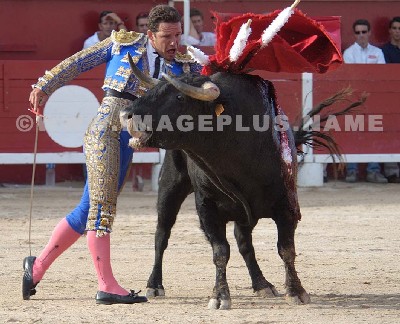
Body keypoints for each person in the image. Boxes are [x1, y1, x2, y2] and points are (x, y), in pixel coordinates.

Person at [24, 4, 201, 305]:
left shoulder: (184, 66)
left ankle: (35, 268)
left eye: (178, 36)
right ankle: (106, 286)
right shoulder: (124, 43)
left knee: (86, 211)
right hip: (105, 132)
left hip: (129, 140)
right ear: (151, 34)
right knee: (102, 210)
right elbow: (78, 62)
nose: (174, 43)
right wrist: (44, 85)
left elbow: (211, 87)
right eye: (167, 36)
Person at [343, 19, 387, 183]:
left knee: (374, 132)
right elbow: (352, 77)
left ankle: (373, 170)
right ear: (354, 34)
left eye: (364, 32)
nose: (361, 35)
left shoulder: (378, 52)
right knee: (353, 132)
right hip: (354, 99)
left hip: (374, 99)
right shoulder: (349, 53)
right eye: (358, 32)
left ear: (369, 33)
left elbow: (381, 76)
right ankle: (352, 170)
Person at [381, 17, 400, 183]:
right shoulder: (384, 51)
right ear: (390, 30)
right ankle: (392, 171)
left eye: (399, 28)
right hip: (389, 98)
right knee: (390, 130)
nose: (397, 31)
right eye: (394, 28)